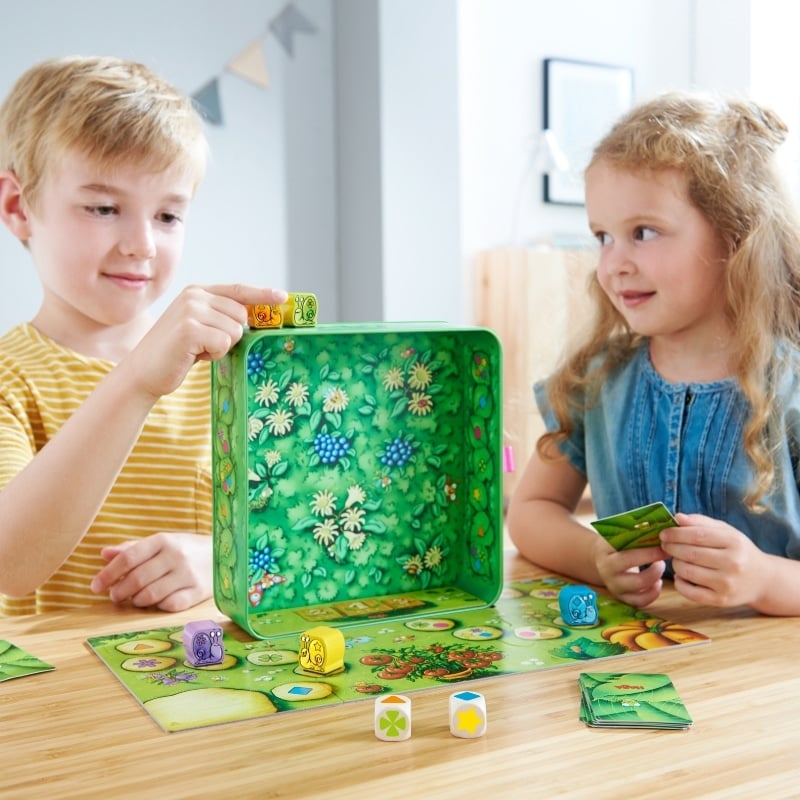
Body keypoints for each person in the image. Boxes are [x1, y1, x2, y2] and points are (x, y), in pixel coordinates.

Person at [0, 55, 287, 615]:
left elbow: (300, 533)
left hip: (211, 667)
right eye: (104, 207)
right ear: (18, 208)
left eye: (168, 216)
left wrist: (224, 557)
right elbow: (10, 565)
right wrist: (136, 380)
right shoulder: (10, 380)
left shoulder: (227, 365)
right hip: (61, 676)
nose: (143, 245)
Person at [507, 91, 800, 616]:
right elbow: (531, 511)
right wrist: (595, 557)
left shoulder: (790, 387)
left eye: (643, 232)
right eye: (603, 236)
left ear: (735, 236)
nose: (613, 263)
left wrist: (763, 579)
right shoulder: (597, 379)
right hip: (642, 655)